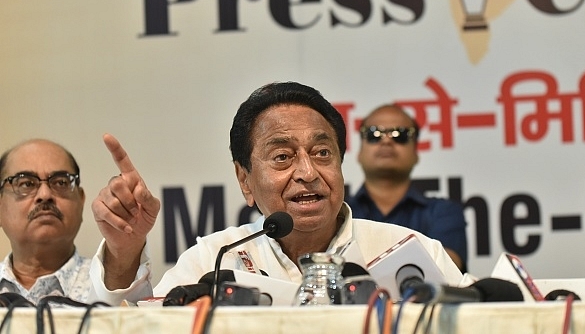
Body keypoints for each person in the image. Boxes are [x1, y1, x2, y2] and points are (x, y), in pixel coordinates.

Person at [88, 82, 463, 305]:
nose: (308, 172)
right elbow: (134, 325)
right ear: (245, 180)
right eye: (282, 156)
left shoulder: (411, 252)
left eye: (322, 153)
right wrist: (124, 252)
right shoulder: (214, 262)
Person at [347, 104, 468, 272]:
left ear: (416, 153)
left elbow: (447, 272)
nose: (387, 141)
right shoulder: (337, 213)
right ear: (359, 152)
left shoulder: (444, 212)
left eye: (400, 135)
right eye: (374, 134)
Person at [0, 139, 91, 304]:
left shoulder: (115, 289)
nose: (45, 194)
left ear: (81, 201)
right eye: (26, 183)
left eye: (61, 182)